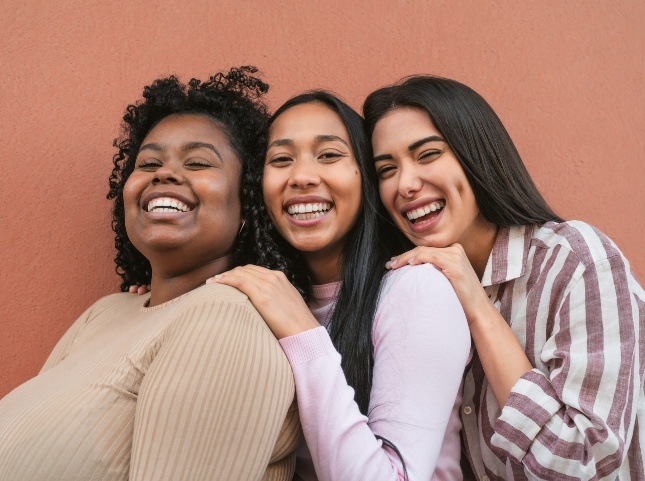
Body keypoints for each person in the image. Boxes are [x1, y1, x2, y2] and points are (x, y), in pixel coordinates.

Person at [0, 67, 301, 481]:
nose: (164, 173)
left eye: (197, 162)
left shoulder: (224, 319)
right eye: (148, 162)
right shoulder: (105, 313)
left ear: (247, 201)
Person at [363, 75, 645, 480]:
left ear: (476, 153)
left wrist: (479, 307)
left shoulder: (575, 260)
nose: (405, 184)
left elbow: (583, 461)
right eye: (386, 169)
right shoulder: (411, 293)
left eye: (427, 154)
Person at [212, 91, 472, 480]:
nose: (301, 177)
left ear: (365, 177)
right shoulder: (261, 296)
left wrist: (304, 333)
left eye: (329, 155)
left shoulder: (416, 290)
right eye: (281, 159)